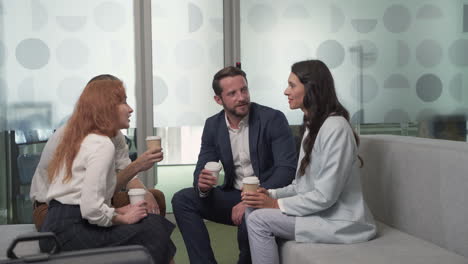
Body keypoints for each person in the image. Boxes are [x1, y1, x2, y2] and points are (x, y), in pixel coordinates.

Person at [242, 60, 377, 264]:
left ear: (311, 88)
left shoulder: (336, 128)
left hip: (340, 220)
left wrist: (276, 204)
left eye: (292, 85)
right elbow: (302, 186)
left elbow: (325, 196)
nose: (286, 91)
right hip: (321, 213)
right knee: (252, 209)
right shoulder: (313, 127)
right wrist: (269, 194)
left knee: (259, 220)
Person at [38, 78, 176, 264]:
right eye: (123, 102)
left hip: (57, 226)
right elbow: (91, 209)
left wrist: (118, 211)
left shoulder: (82, 137)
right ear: (106, 107)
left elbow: (84, 197)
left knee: (149, 223)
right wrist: (121, 218)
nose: (130, 109)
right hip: (68, 231)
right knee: (153, 228)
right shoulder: (101, 144)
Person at [171, 66, 297, 264]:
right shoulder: (213, 125)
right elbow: (203, 165)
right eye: (232, 93)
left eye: (244, 90)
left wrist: (250, 201)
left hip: (265, 194)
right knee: (182, 199)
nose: (241, 97)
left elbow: (286, 170)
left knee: (251, 217)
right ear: (218, 100)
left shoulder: (272, 119)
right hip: (233, 194)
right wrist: (202, 184)